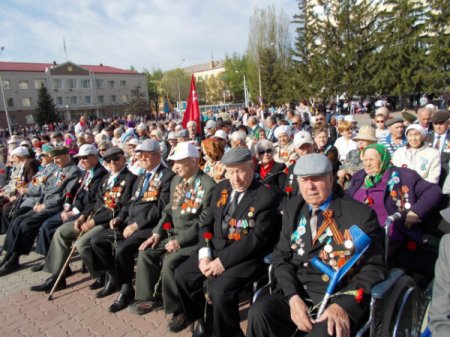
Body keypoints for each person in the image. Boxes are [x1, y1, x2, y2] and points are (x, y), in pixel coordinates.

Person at [247, 153, 386, 337]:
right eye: (304, 180)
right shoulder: (293, 208)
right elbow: (281, 256)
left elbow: (374, 268)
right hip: (299, 291)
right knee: (259, 312)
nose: (310, 187)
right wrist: (293, 297)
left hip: (335, 298)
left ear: (330, 178)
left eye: (316, 179)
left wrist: (342, 306)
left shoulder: (360, 215)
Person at [175, 147, 281, 337]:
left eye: (240, 171)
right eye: (230, 172)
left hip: (245, 256)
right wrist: (204, 255)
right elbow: (207, 224)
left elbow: (257, 239)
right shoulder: (221, 188)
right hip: (214, 248)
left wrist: (222, 262)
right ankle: (199, 318)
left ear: (252, 167)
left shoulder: (266, 196)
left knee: (219, 292)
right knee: (183, 275)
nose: (235, 178)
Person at [128, 142, 216, 332]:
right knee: (147, 251)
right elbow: (168, 211)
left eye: (179, 162)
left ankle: (180, 310)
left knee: (171, 262)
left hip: (192, 240)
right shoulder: (177, 180)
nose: (174, 167)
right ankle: (148, 297)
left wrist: (180, 241)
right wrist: (156, 233)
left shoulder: (208, 185)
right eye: (174, 162)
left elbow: (203, 222)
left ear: (194, 161)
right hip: (171, 233)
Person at [29, 147, 136, 292]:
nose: (112, 163)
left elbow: (121, 207)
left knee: (82, 243)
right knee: (61, 232)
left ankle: (105, 275)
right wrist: (83, 216)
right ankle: (57, 276)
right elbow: (96, 202)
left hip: (107, 221)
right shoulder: (106, 178)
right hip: (92, 216)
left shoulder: (130, 179)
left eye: (115, 159)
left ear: (123, 159)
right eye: (108, 161)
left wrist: (93, 222)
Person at [89, 140, 175, 312]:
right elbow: (130, 202)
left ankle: (126, 289)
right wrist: (120, 218)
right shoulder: (143, 175)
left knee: (122, 249)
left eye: (146, 155)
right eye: (139, 155)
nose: (141, 158)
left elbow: (160, 208)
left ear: (158, 155)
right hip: (129, 223)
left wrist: (137, 225)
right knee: (96, 241)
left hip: (148, 227)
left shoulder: (167, 177)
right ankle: (116, 278)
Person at [346, 144, 441, 276]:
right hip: (355, 229)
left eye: (371, 160)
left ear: (383, 158)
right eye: (365, 160)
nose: (367, 164)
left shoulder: (403, 176)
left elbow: (433, 191)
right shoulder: (359, 176)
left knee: (366, 260)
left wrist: (416, 211)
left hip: (387, 231)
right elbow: (346, 197)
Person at [0, 147, 81, 276]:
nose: (55, 161)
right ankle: (9, 256)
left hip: (55, 207)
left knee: (27, 224)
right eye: (53, 158)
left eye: (57, 158)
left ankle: (14, 259)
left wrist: (45, 205)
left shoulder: (73, 172)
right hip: (45, 204)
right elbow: (47, 189)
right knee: (18, 220)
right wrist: (41, 202)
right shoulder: (58, 169)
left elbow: (65, 195)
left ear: (66, 156)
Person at [32, 144, 108, 270]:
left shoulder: (99, 174)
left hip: (83, 212)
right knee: (45, 225)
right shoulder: (85, 172)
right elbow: (73, 191)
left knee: (52, 228)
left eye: (85, 158)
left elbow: (92, 199)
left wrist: (74, 211)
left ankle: (57, 269)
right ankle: (53, 263)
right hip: (71, 208)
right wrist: (68, 206)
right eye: (79, 158)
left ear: (94, 157)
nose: (81, 161)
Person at [337, 126, 378, 190]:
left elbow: (367, 171)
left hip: (366, 188)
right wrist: (342, 171)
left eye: (363, 140)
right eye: (359, 140)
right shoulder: (352, 153)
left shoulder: (376, 155)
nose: (360, 142)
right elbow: (343, 168)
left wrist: (347, 170)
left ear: (371, 142)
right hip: (348, 188)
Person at [282, 131, 315, 203]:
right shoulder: (292, 168)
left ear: (313, 145)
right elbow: (287, 191)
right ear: (296, 150)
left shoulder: (322, 165)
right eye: (301, 148)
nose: (306, 151)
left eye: (308, 146)